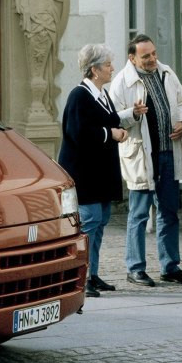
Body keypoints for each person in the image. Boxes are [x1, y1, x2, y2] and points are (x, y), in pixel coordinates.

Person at [109, 34, 182, 287]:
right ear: (132, 57)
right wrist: (132, 114)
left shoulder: (166, 72)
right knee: (138, 213)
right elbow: (113, 118)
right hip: (141, 154)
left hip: (168, 151)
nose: (152, 59)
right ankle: (135, 268)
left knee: (169, 212)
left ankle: (170, 266)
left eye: (154, 53)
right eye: (146, 56)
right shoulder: (121, 83)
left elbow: (181, 101)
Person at [58, 45, 127, 297]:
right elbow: (79, 132)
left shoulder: (102, 93)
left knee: (101, 222)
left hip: (101, 173)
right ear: (94, 69)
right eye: (108, 64)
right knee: (89, 224)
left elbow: (108, 120)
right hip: (84, 173)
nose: (112, 68)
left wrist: (122, 125)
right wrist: (112, 133)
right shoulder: (79, 95)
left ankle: (93, 274)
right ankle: (81, 278)